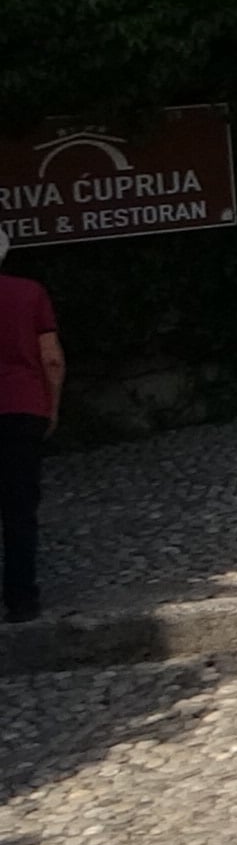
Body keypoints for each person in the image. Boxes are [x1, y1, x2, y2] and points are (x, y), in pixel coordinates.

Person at [0, 229, 59, 624]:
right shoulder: (29, 293)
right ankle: (21, 599)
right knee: (20, 508)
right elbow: (51, 359)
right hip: (22, 407)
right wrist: (50, 409)